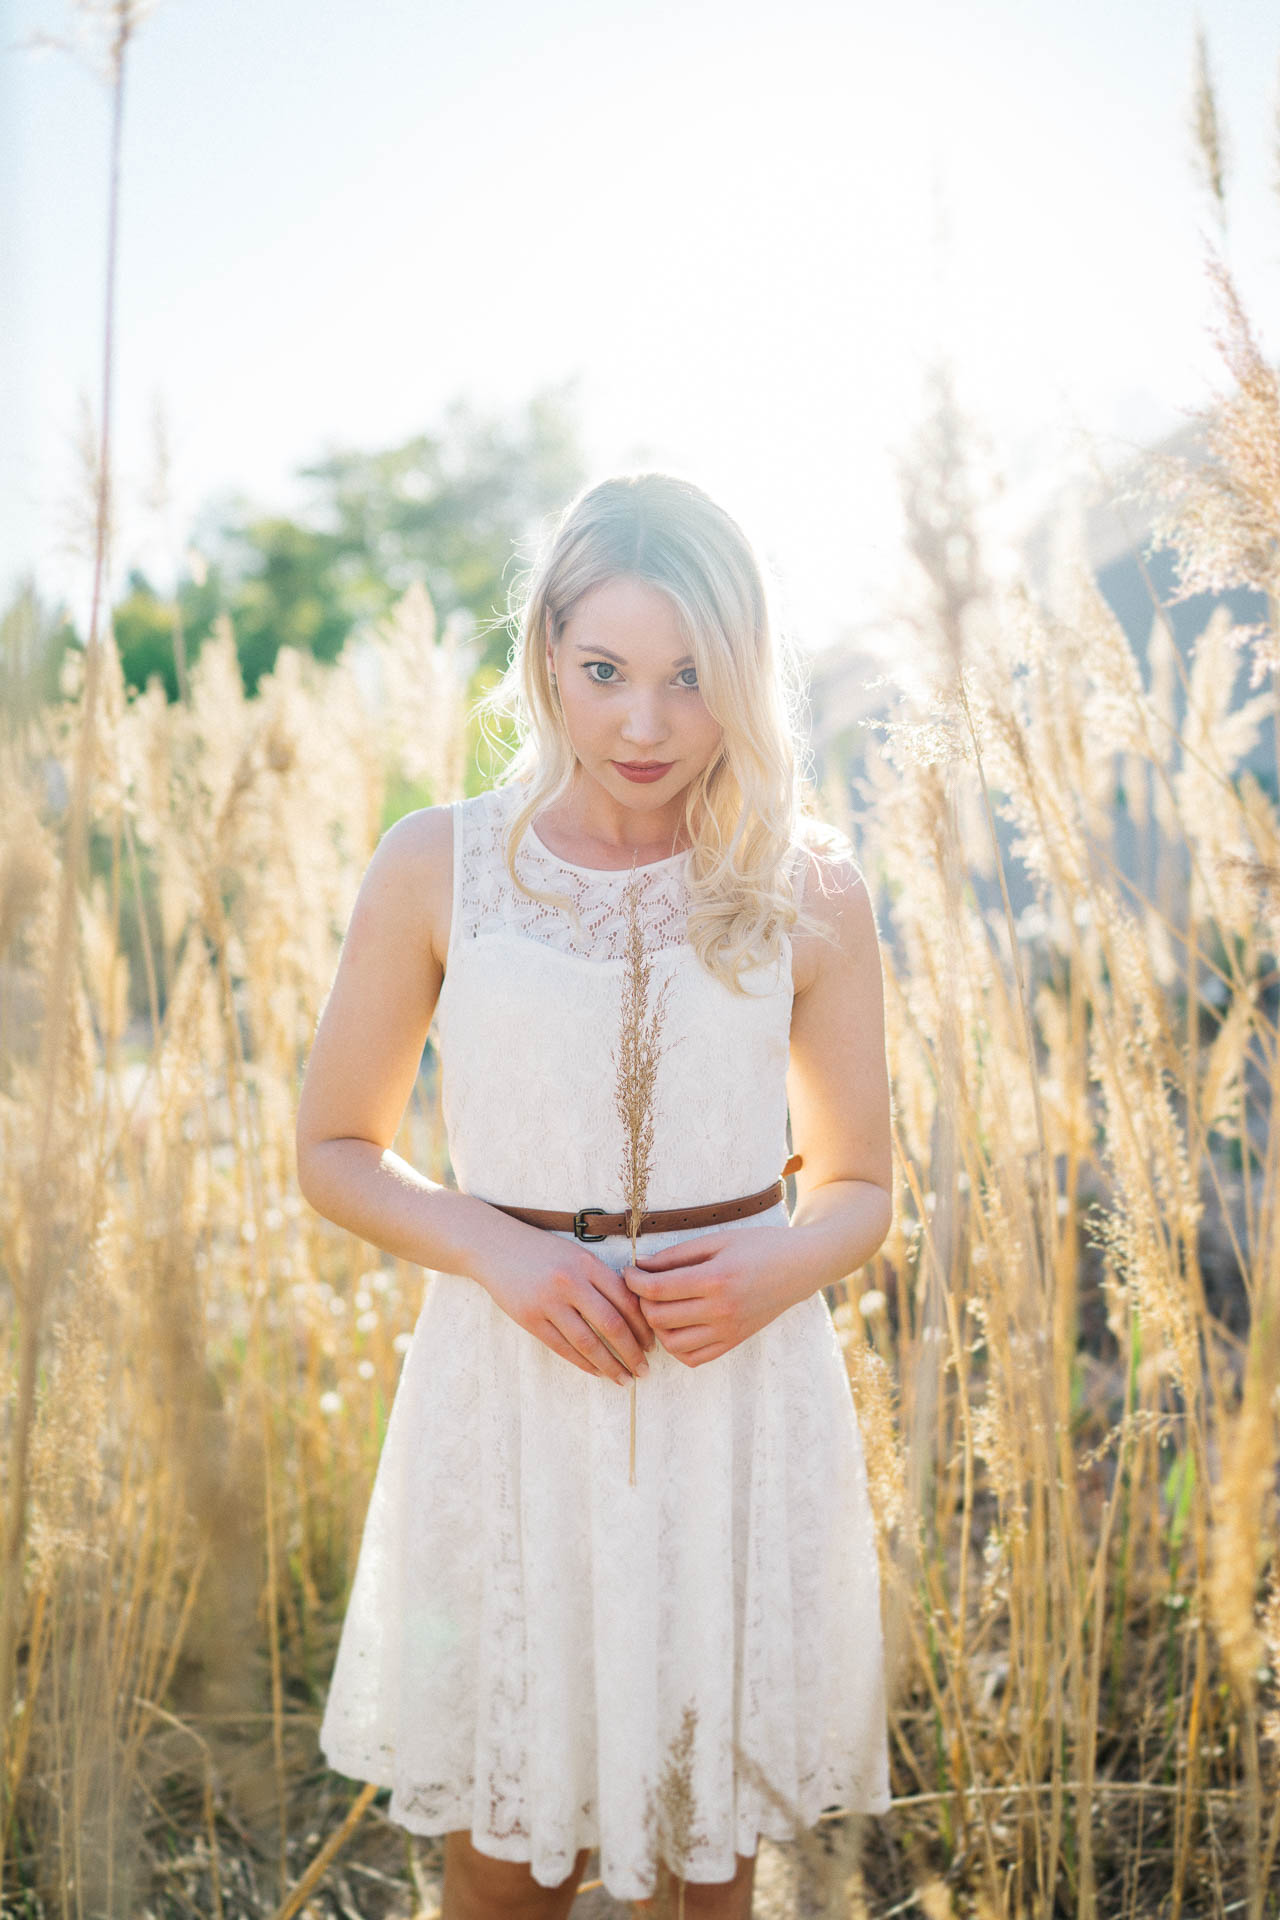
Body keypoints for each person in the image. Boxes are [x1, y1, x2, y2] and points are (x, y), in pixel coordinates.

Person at [296, 472, 894, 1918]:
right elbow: (333, 1149)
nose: (646, 722)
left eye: (692, 678)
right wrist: (500, 1257)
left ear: (744, 676)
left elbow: (864, 1185)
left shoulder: (807, 886)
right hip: (510, 1396)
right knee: (510, 1867)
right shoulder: (442, 865)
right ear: (547, 660)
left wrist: (777, 1267)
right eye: (607, 671)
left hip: (729, 1404)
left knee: (708, 1871)